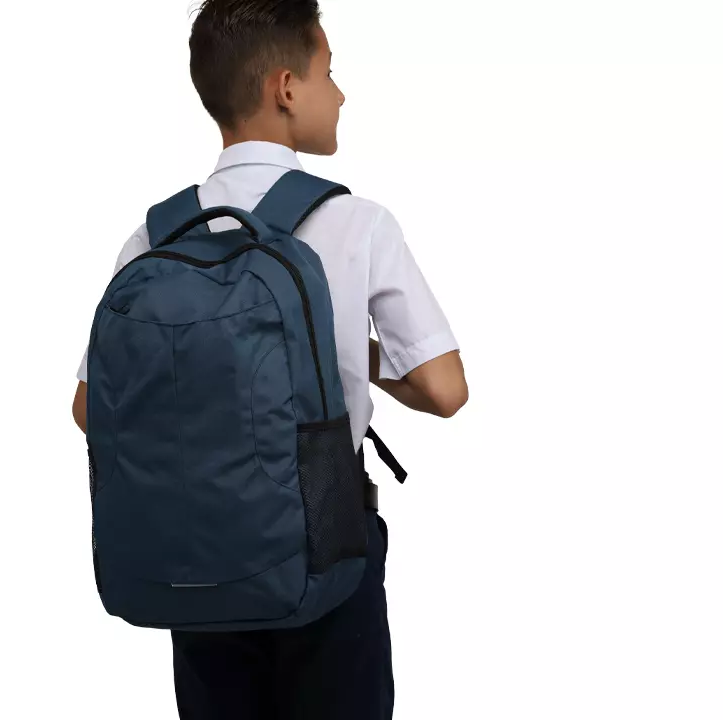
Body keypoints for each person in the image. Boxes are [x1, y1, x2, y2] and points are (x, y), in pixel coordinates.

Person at [71, 1, 467, 717]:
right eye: (329, 73)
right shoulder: (356, 222)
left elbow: (88, 410)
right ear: (286, 88)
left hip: (194, 567)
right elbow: (445, 389)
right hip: (328, 554)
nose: (340, 94)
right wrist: (350, 353)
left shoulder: (154, 238)